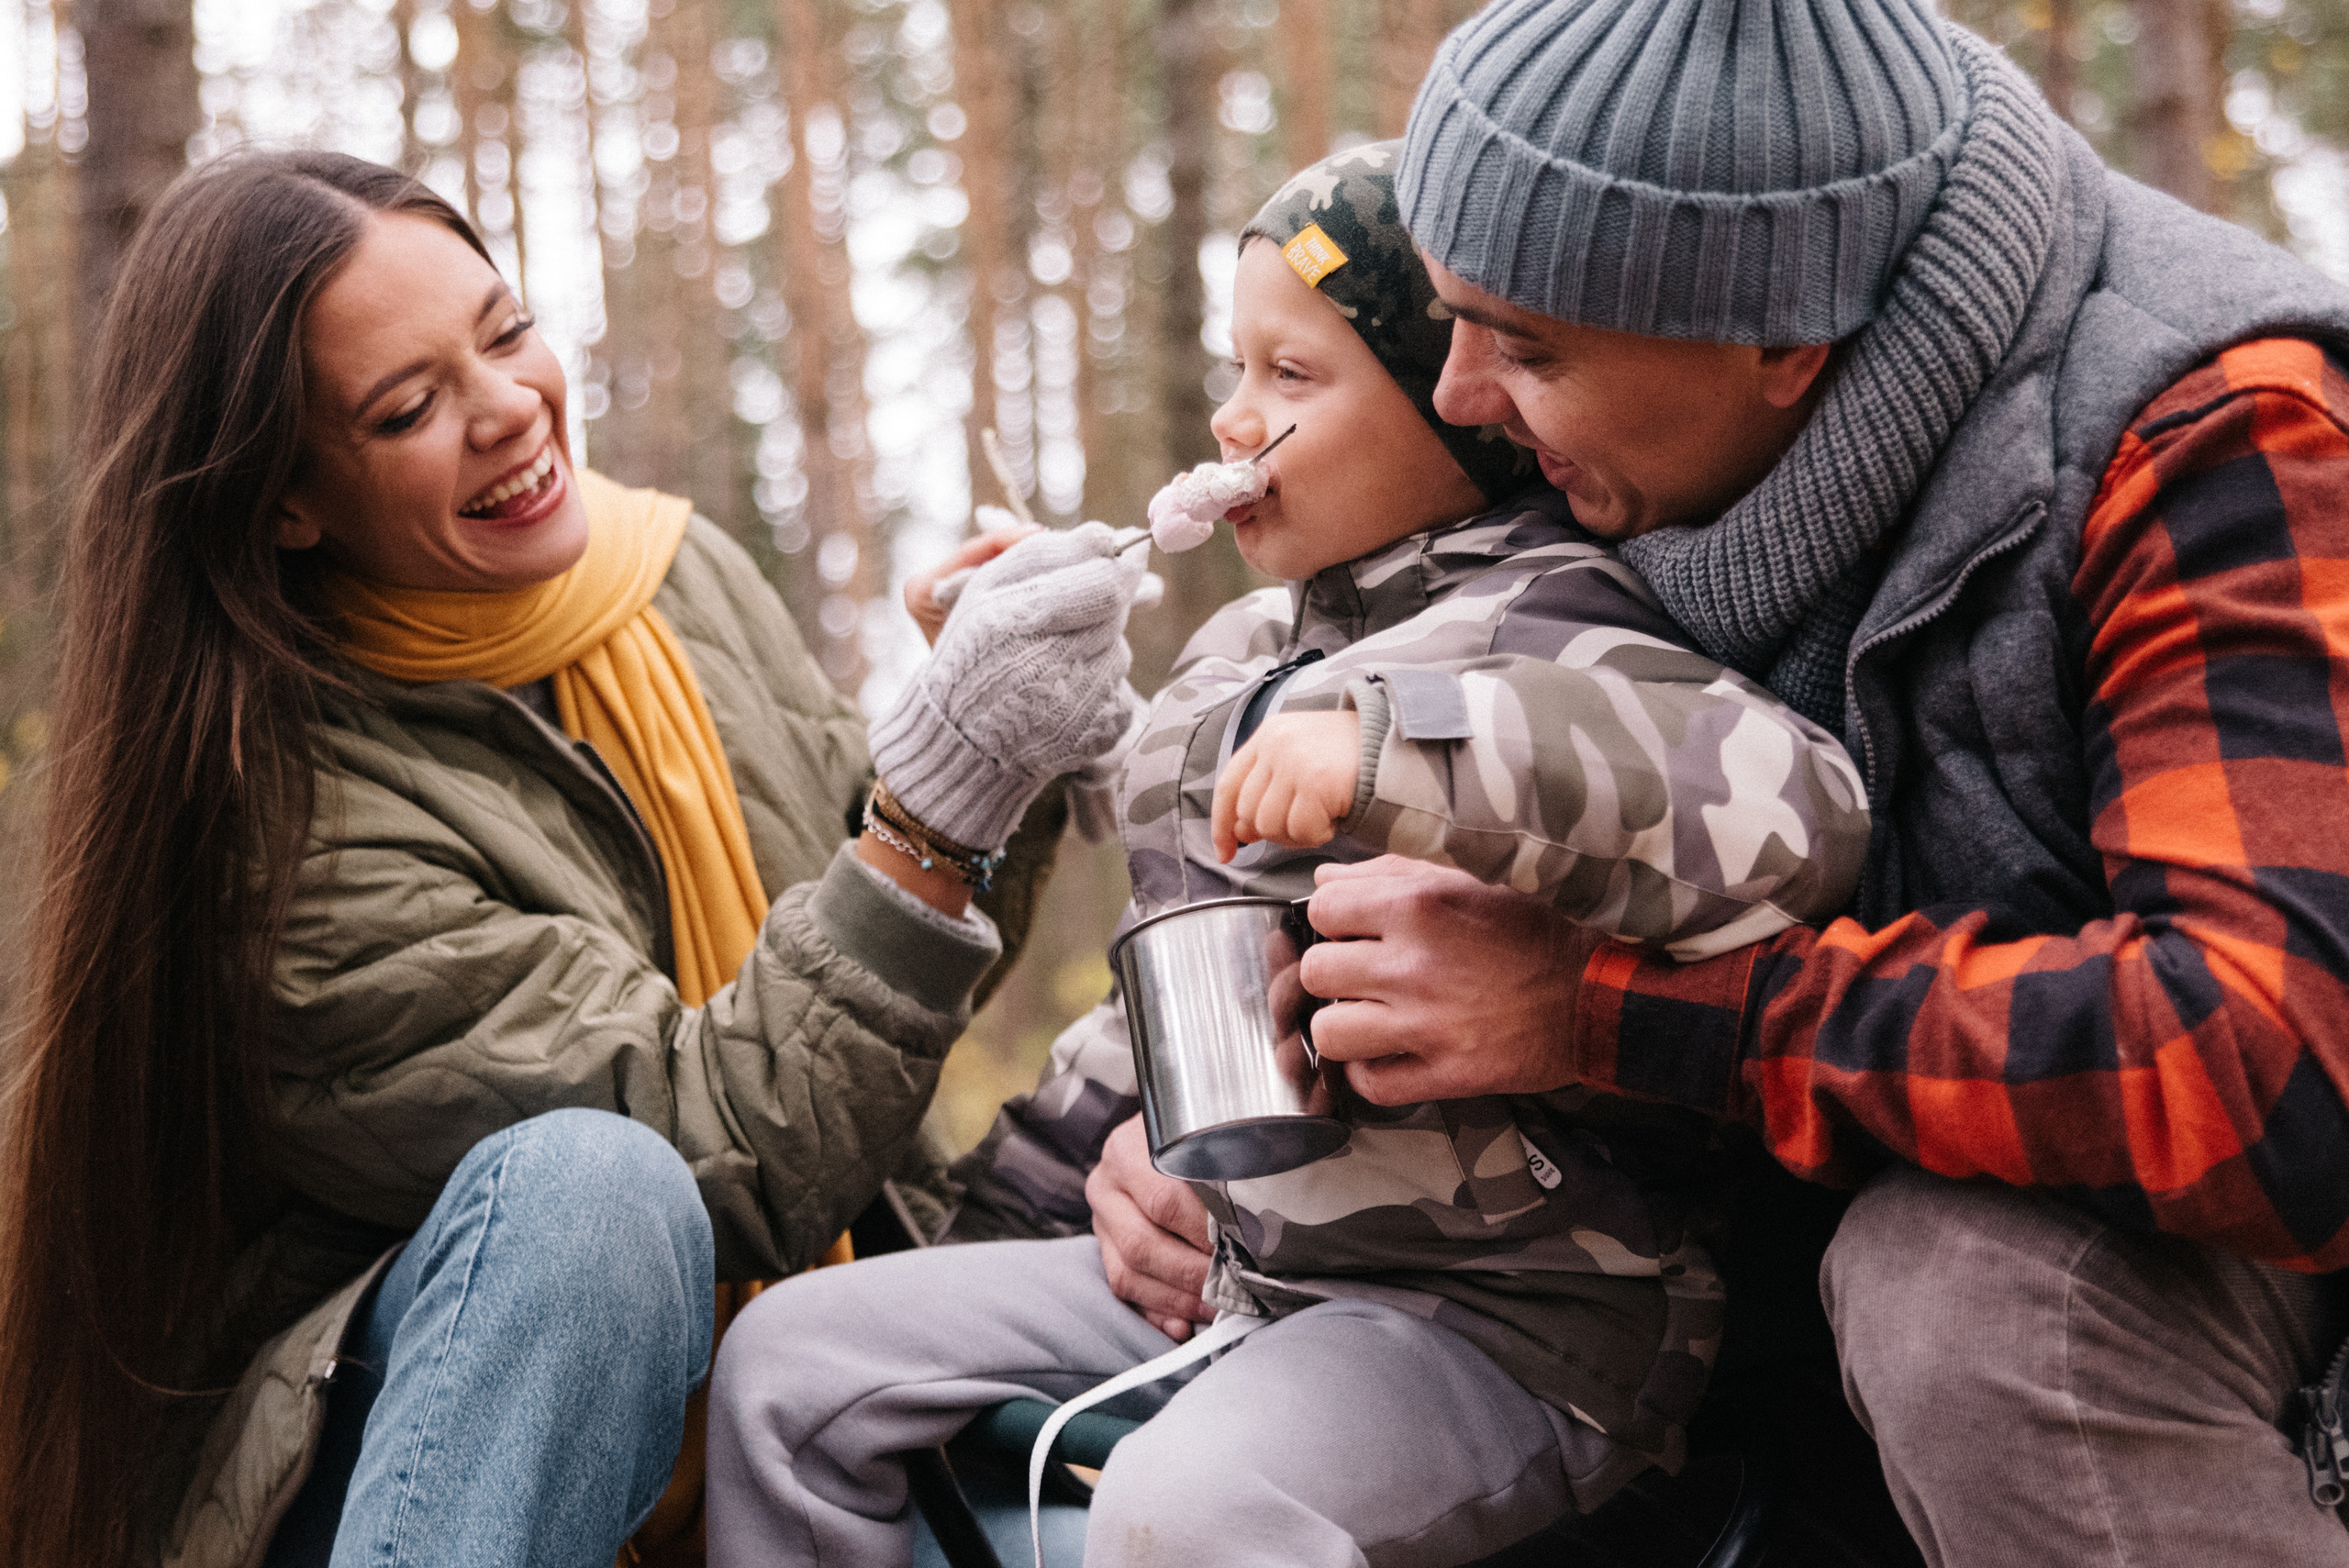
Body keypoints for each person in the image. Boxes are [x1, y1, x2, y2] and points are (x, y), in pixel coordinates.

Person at [1068, 2, 2349, 1564]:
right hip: (1716, 1270)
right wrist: (1170, 1136)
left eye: (1526, 346)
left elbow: (2272, 1076)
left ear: (1788, 346)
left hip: (2222, 1216)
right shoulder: (1641, 445)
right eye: (1456, 317)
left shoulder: (2219, 440)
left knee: (1976, 1295)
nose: (1460, 397)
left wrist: (1599, 1010)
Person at [703, 144, 1870, 1568]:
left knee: (1179, 1509)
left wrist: (1404, 748)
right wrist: (991, 1213)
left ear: (1460, 410)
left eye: (1292, 378)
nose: (1233, 419)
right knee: (792, 1370)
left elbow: (1797, 812)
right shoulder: (1235, 657)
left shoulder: (1565, 616)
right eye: (1231, 371)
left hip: (1505, 1319)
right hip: (1254, 1268)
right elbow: (1160, 989)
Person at [0, 150, 1155, 1568]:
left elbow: (857, 1009)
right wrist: (937, 800)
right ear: (286, 502)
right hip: (430, 1468)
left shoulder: (676, 578)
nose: (507, 411)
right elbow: (728, 1138)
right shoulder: (271, 831)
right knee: (591, 1192)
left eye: (506, 332)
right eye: (410, 406)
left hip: (799, 1353)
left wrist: (1001, 745)